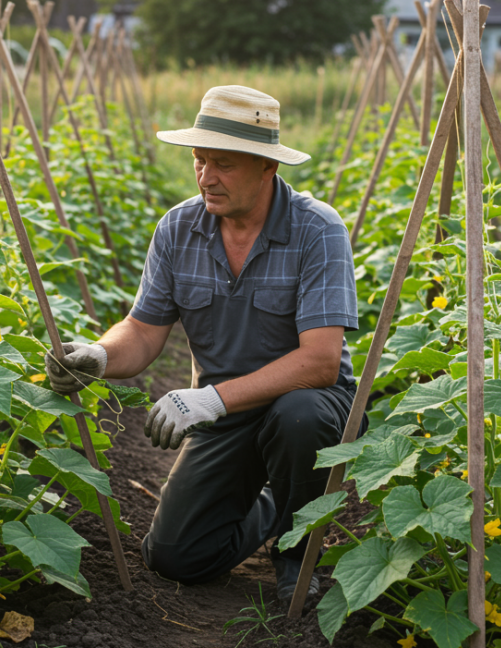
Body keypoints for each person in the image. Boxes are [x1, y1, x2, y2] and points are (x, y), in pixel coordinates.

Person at [44, 85, 360, 602]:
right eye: (199, 160)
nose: (206, 176)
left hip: (311, 405)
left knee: (297, 416)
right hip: (227, 416)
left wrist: (209, 398)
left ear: (267, 167)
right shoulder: (179, 229)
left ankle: (298, 550)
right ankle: (276, 502)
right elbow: (144, 332)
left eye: (225, 164)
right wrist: (99, 355)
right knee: (175, 556)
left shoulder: (316, 230)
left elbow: (321, 363)